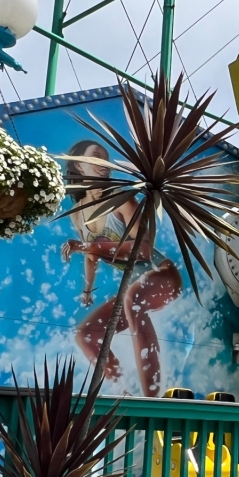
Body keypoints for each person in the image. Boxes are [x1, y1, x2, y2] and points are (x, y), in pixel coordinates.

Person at [61, 140, 182, 397]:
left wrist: (85, 247)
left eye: (106, 159)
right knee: (87, 334)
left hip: (162, 274)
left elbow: (143, 251)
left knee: (132, 298)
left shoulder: (122, 201)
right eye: (96, 157)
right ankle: (123, 391)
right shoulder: (77, 212)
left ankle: (152, 397)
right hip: (135, 285)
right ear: (80, 166)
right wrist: (87, 290)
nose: (104, 164)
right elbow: (91, 254)